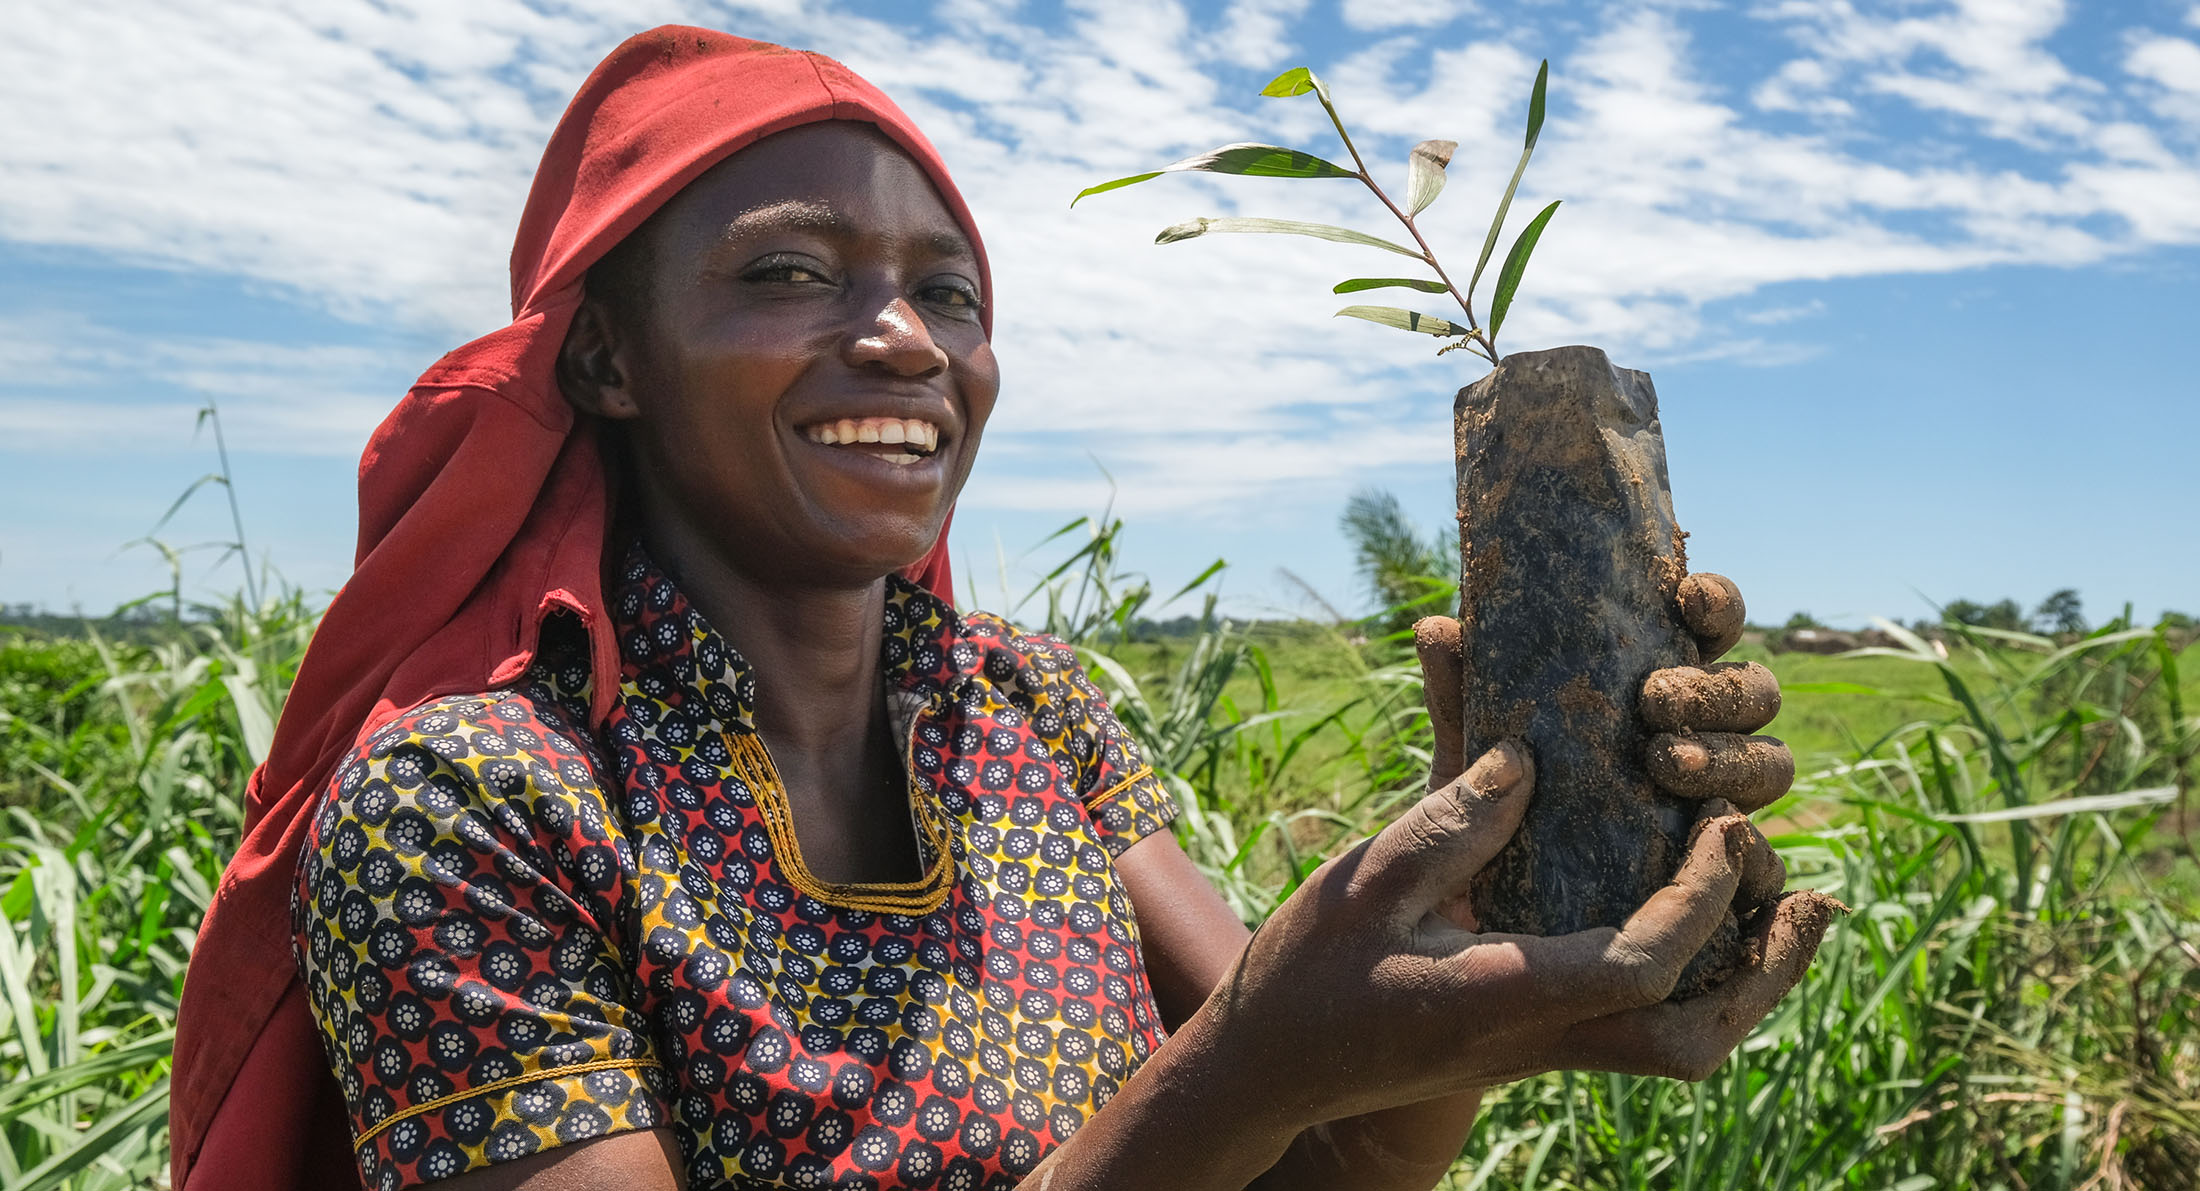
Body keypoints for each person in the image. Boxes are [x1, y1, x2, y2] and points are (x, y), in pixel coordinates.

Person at [169, 26, 1835, 1191]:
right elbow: (1244, 1098)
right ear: (603, 355)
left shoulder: (1031, 716)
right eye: (789, 271)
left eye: (945, 293)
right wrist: (1249, 1071)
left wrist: (1476, 955)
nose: (903, 339)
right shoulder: (471, 803)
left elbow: (1319, 1161)